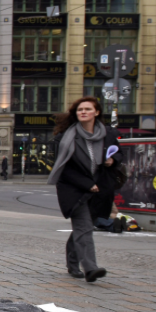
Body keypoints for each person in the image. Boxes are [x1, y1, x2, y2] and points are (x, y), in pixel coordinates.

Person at [48, 97, 118, 282]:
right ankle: (90, 268)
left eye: (88, 109)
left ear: (96, 112)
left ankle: (72, 264)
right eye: (80, 110)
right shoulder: (66, 137)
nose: (83, 112)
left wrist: (113, 160)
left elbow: (117, 152)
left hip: (100, 189)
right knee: (84, 227)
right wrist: (86, 184)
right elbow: (64, 168)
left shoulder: (108, 134)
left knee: (82, 229)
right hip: (74, 190)